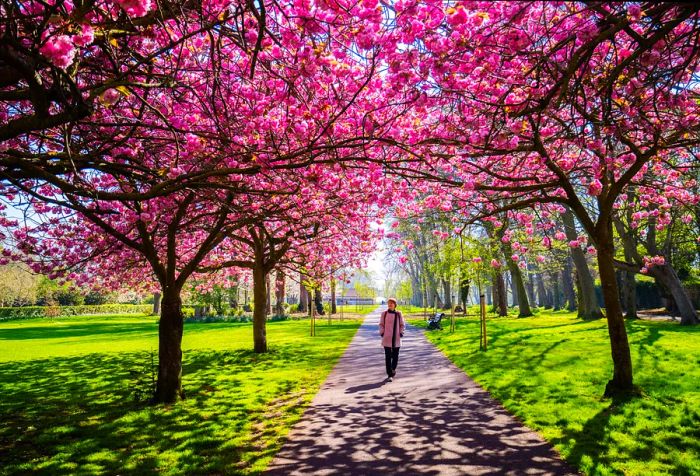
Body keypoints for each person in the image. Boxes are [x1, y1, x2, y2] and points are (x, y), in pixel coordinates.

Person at [379, 298, 405, 382]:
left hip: (396, 338)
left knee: (395, 356)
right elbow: (381, 324)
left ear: (395, 305)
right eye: (389, 303)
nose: (390, 304)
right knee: (387, 357)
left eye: (392, 303)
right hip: (387, 338)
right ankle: (389, 374)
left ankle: (393, 369)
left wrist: (401, 332)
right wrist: (382, 333)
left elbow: (402, 325)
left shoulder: (399, 314)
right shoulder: (384, 314)